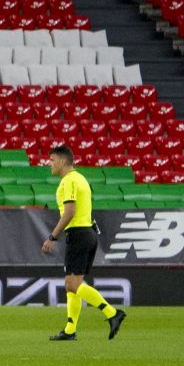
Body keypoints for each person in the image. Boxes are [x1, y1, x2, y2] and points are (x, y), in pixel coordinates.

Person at [42, 144, 126, 342]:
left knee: (73, 285)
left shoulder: (69, 181)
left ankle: (112, 313)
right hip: (87, 232)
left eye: (52, 160)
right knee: (72, 284)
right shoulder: (81, 178)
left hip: (79, 234)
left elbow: (69, 212)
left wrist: (52, 236)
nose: (49, 164)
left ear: (63, 161)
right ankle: (70, 330)